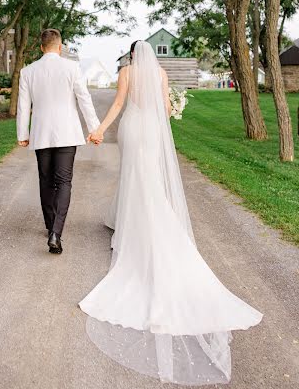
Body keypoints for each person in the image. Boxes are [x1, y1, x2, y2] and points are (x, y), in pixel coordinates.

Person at [82, 40, 262, 385]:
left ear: (132, 55)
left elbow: (119, 103)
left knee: (136, 178)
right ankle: (141, 221)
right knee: (148, 179)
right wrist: (167, 111)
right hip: (151, 128)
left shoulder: (126, 72)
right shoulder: (162, 73)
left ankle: (135, 226)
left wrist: (101, 130)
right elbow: (165, 109)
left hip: (133, 128)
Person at [16, 28, 100, 255]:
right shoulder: (72, 67)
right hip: (66, 133)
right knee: (64, 181)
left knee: (46, 181)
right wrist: (95, 129)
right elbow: (84, 98)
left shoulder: (28, 71)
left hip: (41, 133)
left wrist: (23, 134)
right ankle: (56, 232)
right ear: (60, 47)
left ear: (41, 47)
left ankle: (50, 225)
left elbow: (24, 106)